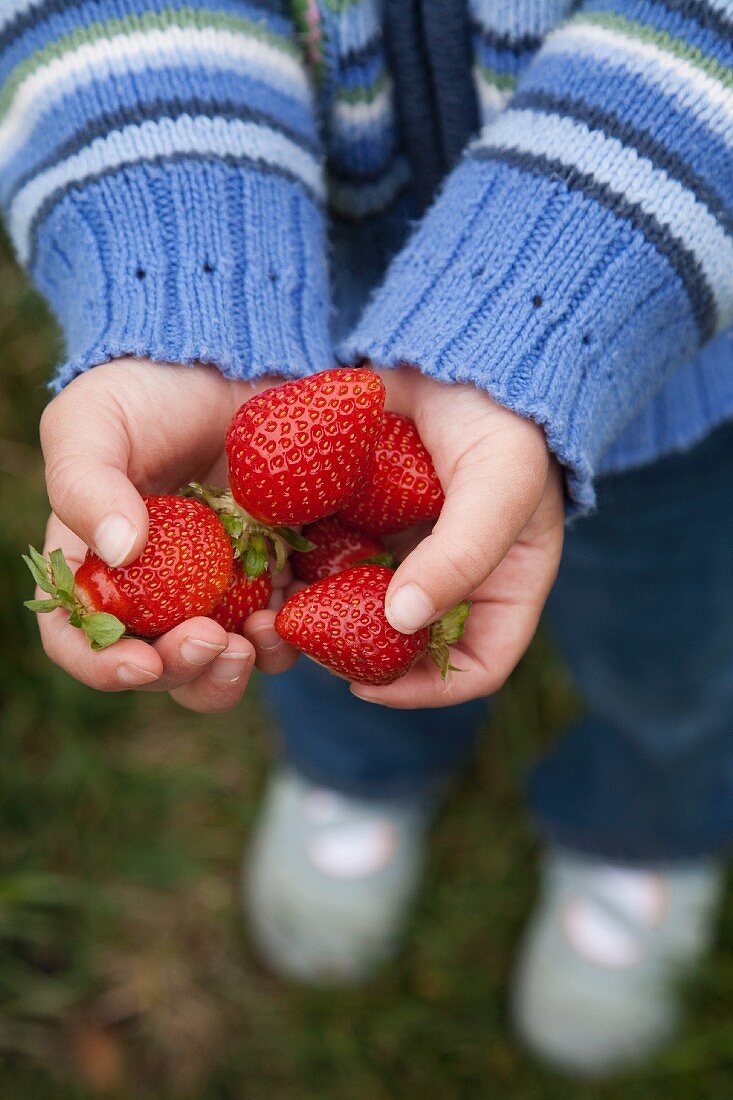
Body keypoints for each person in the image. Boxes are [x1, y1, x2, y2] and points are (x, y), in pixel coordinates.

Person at [8, 0, 732, 1075]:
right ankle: (359, 765)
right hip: (289, 309)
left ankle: (642, 828)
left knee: (666, 646)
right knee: (295, 599)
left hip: (653, 327)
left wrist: (541, 303)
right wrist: (192, 285)